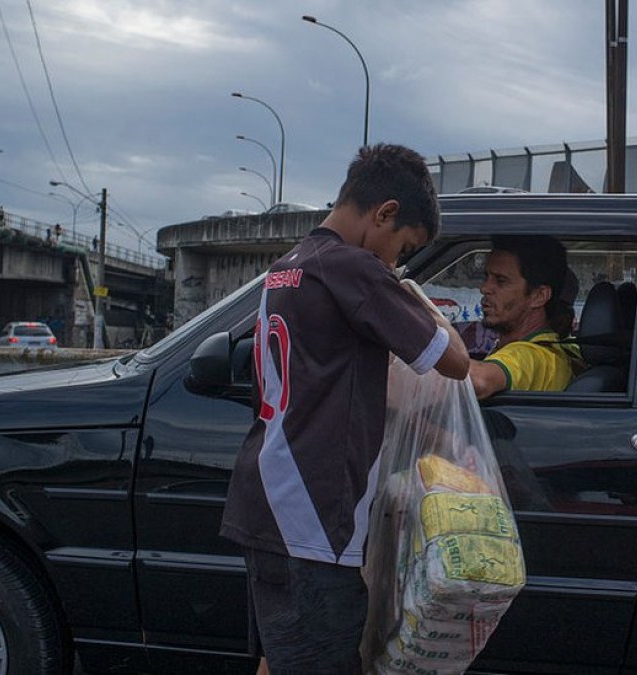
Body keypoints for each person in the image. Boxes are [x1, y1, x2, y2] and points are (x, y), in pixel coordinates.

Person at [219, 143, 469, 675]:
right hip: (310, 516)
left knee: (281, 658)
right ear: (385, 213)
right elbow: (455, 360)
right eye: (402, 247)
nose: (395, 262)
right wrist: (413, 296)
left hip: (267, 498)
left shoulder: (289, 265)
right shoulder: (352, 269)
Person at [468, 235, 580, 398]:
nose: (485, 288)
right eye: (486, 277)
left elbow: (478, 381)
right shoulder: (564, 349)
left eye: (501, 281)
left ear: (539, 296)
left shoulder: (533, 355)